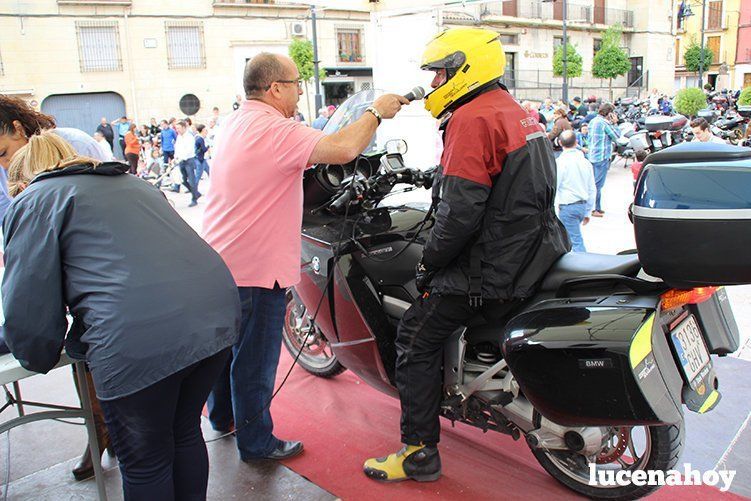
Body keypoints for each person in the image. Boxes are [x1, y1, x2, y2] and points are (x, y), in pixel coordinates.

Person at [362, 27, 569, 483]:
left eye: (439, 74)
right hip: (533, 253)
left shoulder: (472, 118)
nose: (435, 84)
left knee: (415, 337)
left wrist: (429, 263)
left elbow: (459, 213)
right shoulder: (513, 111)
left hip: (492, 268)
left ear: (464, 69)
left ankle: (418, 454)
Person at [3, 131, 240, 500]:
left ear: (21, 180)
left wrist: (35, 353)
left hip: (141, 337)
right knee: (184, 432)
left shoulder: (34, 199)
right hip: (213, 318)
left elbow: (28, 303)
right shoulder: (132, 183)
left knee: (146, 461)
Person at [201, 52, 407, 462]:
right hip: (255, 267)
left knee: (226, 350)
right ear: (275, 88)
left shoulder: (240, 121)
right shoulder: (275, 130)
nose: (300, 90)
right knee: (255, 361)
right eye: (296, 82)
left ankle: (221, 416)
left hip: (219, 260)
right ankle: (257, 443)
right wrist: (377, 112)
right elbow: (345, 148)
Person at [0, 95, 118, 481]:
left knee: (95, 359)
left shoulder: (73, 142)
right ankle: (104, 430)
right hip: (62, 274)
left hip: (98, 278)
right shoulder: (14, 169)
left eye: (3, 152)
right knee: (82, 355)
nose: (4, 166)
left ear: (17, 128)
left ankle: (106, 430)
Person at [555, 130, 596, 253]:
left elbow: (555, 185)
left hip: (567, 206)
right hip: (581, 205)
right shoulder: (585, 162)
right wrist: (588, 210)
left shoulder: (560, 163)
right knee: (572, 239)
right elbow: (592, 188)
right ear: (576, 142)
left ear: (560, 143)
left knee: (575, 242)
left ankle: (583, 268)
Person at [587, 103, 621, 217]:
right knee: (598, 185)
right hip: (602, 157)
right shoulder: (604, 123)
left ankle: (597, 207)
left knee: (594, 183)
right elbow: (617, 136)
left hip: (593, 155)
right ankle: (594, 208)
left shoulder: (593, 121)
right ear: (609, 113)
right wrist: (615, 123)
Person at [174, 120, 200, 207]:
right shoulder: (178, 137)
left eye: (179, 128)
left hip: (189, 160)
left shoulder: (189, 137)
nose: (177, 130)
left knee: (191, 180)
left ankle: (194, 199)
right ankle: (196, 193)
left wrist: (181, 158)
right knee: (184, 180)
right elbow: (177, 148)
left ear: (184, 128)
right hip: (181, 161)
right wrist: (176, 157)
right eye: (176, 128)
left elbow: (188, 150)